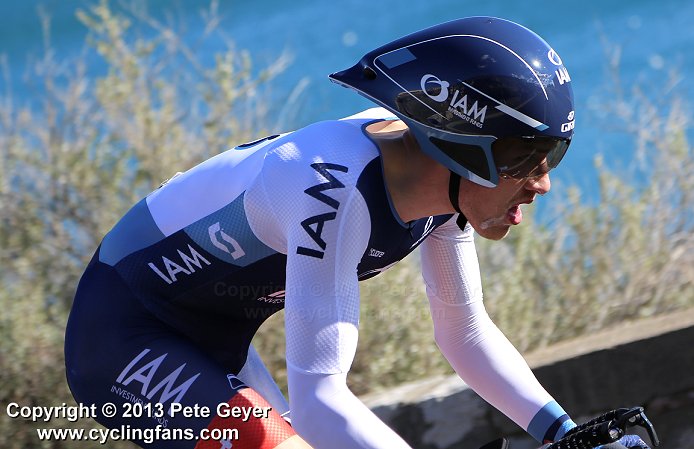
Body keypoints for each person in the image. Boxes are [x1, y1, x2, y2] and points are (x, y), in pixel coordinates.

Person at [64, 16, 651, 449]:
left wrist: (564, 434)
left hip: (217, 338)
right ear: (460, 147)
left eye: (554, 155)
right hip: (122, 338)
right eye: (529, 156)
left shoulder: (443, 194)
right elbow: (321, 400)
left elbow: (464, 333)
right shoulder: (327, 189)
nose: (542, 183)